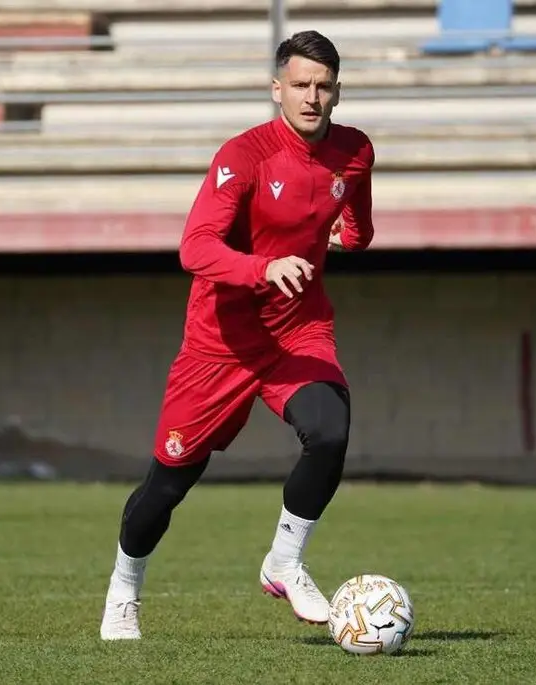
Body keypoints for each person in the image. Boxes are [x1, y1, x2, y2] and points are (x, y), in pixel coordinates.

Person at [99, 29, 375, 641]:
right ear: (278, 89)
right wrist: (263, 267)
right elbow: (194, 247)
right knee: (169, 482)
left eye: (323, 86)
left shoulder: (355, 152)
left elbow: (355, 221)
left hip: (298, 330)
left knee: (329, 431)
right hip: (219, 342)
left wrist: (349, 239)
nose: (311, 97)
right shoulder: (244, 156)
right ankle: (124, 589)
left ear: (339, 94)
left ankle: (284, 561)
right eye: (300, 85)